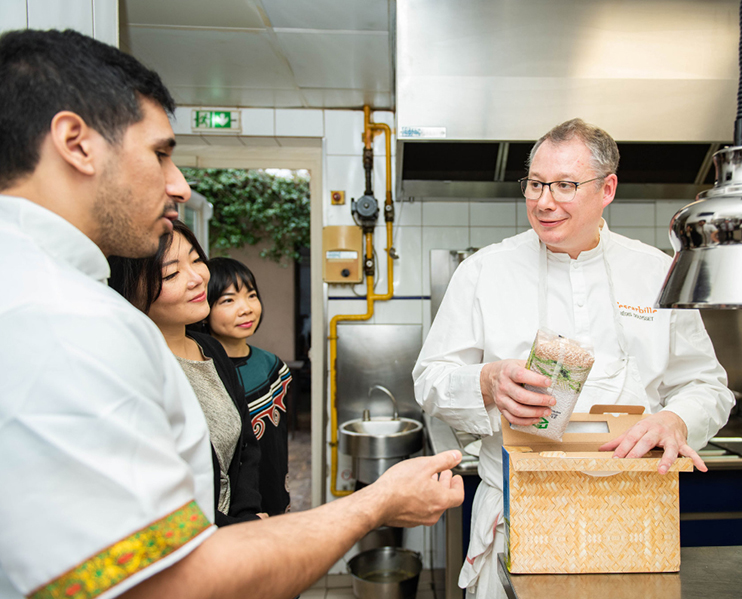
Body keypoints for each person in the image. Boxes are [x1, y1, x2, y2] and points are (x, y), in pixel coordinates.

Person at [0, 28, 463, 599]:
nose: (179, 184)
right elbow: (174, 583)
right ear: (76, 142)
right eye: (160, 153)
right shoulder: (66, 322)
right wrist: (378, 502)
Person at [413, 118, 734, 599]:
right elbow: (429, 379)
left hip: (632, 516)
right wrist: (487, 380)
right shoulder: (483, 272)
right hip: (519, 513)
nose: (544, 201)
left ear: (607, 189)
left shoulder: (657, 272)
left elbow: (708, 386)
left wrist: (675, 420)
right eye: (536, 184)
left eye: (564, 185)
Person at [109, 222, 266, 526]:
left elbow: (246, 446)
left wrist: (246, 516)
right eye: (171, 273)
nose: (197, 278)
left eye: (196, 260)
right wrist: (237, 530)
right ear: (130, 290)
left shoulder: (211, 348)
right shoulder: (135, 371)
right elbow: (159, 493)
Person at [205, 257, 293, 516]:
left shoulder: (273, 366)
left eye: (251, 295)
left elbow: (277, 446)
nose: (246, 308)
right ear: (204, 306)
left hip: (274, 492)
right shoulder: (205, 371)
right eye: (228, 300)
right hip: (230, 511)